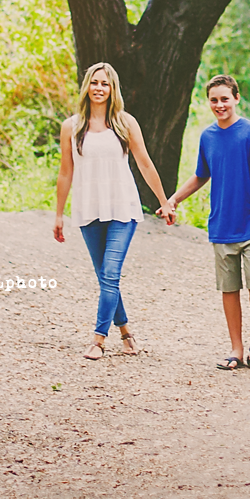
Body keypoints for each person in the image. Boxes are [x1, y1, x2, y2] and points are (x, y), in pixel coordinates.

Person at [53, 62, 172, 360]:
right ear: (86, 87)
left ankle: (98, 339)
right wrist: (58, 214)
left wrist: (164, 200)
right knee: (107, 278)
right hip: (88, 209)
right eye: (94, 83)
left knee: (110, 274)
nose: (98, 88)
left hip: (123, 208)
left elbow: (144, 162)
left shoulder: (125, 123)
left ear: (112, 88)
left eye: (104, 83)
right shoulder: (72, 126)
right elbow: (65, 173)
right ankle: (127, 334)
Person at [167, 74, 250, 371]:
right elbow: (201, 175)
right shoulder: (208, 137)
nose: (220, 105)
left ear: (236, 98)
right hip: (221, 225)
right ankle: (236, 347)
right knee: (229, 288)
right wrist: (174, 199)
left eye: (225, 99)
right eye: (214, 100)